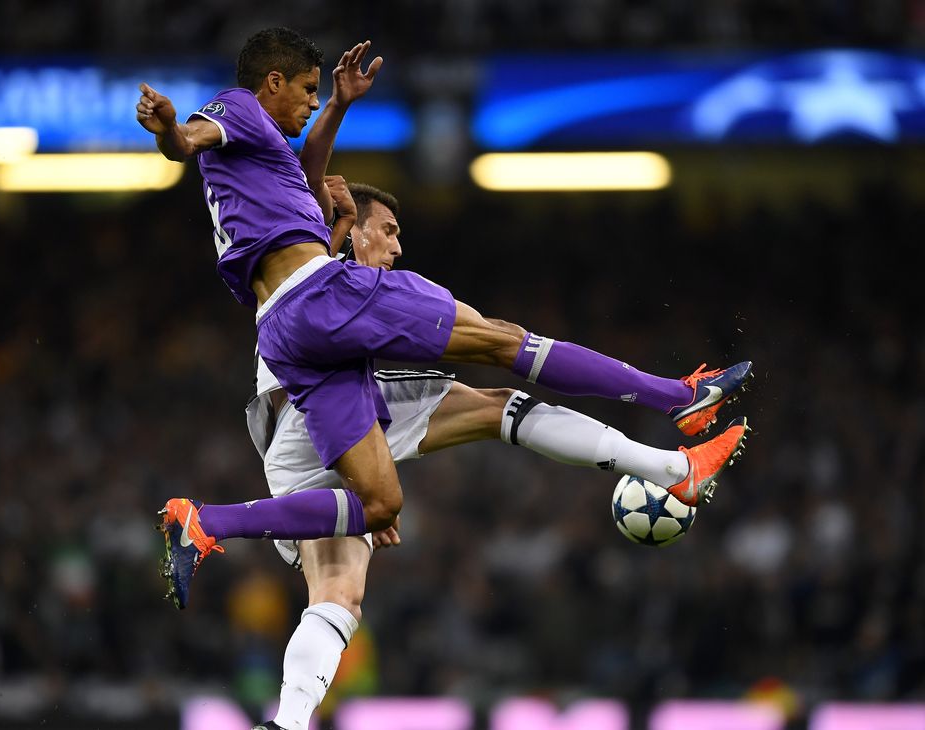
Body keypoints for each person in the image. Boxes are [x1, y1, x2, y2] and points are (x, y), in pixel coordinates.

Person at [135, 27, 752, 611]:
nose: (312, 101)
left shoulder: (263, 158)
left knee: (378, 506)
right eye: (308, 90)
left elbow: (309, 171)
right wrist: (170, 130)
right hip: (318, 293)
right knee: (502, 342)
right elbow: (187, 140)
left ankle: (205, 522)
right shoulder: (238, 108)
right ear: (272, 82)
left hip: (283, 330)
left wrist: (340, 108)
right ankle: (678, 398)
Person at [244, 178, 749, 730]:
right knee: (504, 351)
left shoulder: (289, 283)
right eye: (387, 232)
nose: (396, 247)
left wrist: (367, 483)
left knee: (338, 594)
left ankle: (287, 722)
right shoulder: (338, 280)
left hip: (292, 446)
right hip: (326, 408)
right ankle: (677, 417)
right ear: (352, 229)